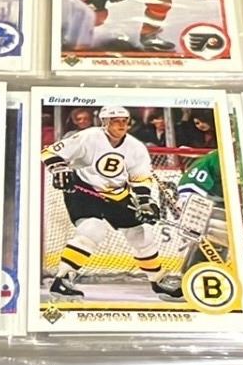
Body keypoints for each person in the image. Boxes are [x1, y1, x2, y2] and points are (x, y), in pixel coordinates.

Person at [41, 106, 181, 300]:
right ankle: (62, 280)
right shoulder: (89, 136)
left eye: (125, 120)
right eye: (116, 121)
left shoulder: (136, 147)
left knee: (141, 234)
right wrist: (59, 168)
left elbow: (140, 178)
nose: (121, 125)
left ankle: (158, 281)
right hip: (84, 190)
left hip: (117, 194)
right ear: (104, 122)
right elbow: (49, 152)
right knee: (92, 230)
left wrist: (144, 202)